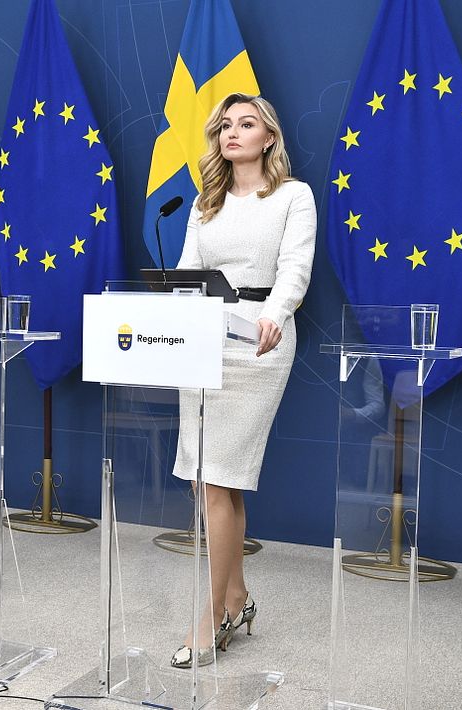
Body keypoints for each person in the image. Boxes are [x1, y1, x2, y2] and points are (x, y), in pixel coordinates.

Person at [169, 93, 315, 668]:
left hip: (258, 342)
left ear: (268, 137)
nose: (233, 132)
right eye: (225, 125)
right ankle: (237, 598)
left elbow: (295, 268)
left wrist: (274, 316)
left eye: (246, 124)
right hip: (202, 340)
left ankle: (211, 617)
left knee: (219, 475)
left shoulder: (293, 196)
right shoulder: (205, 201)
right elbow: (187, 271)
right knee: (214, 482)